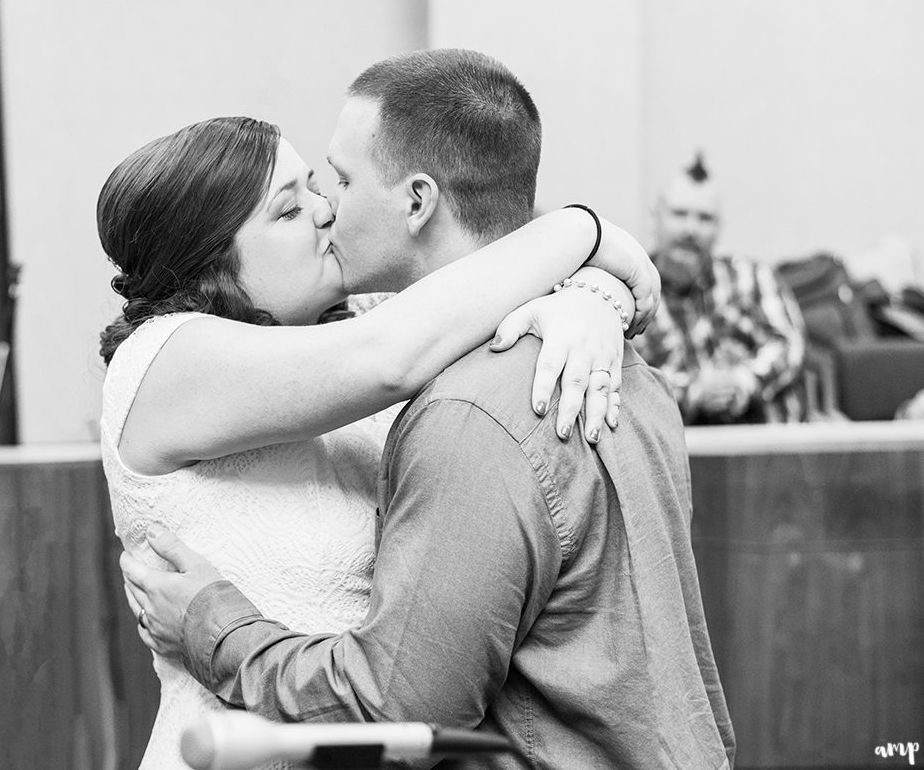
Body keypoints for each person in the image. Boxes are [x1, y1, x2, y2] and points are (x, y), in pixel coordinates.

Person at [121, 49, 736, 769]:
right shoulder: (630, 380)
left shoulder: (471, 397)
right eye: (292, 206)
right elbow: (392, 351)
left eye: (336, 182)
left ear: (416, 201)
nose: (326, 207)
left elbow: (399, 706)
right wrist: (588, 248)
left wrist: (592, 291)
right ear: (213, 259)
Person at [636, 154, 808, 424]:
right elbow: (629, 381)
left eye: (704, 218)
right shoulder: (631, 294)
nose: (691, 229)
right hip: (677, 449)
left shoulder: (752, 278)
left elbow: (789, 345)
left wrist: (744, 381)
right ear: (655, 217)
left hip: (765, 446)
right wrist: (693, 392)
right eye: (679, 214)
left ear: (718, 228)